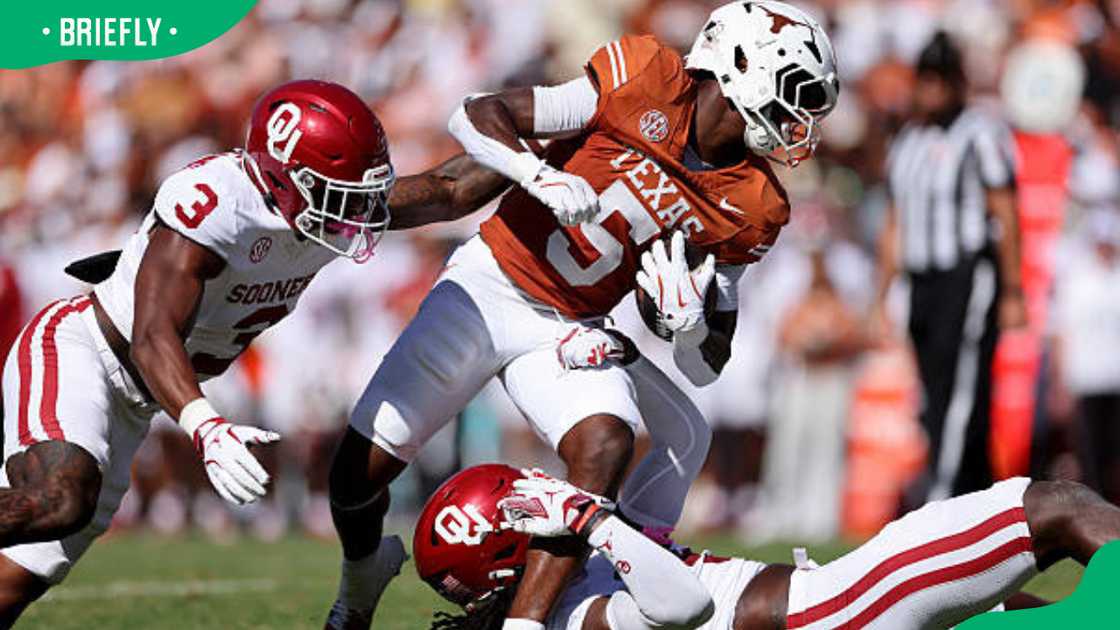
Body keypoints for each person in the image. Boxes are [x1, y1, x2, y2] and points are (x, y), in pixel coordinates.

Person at [322, 3, 840, 628]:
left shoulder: (754, 203)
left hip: (567, 329)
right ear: (740, 65)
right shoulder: (645, 75)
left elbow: (705, 365)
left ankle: (527, 623)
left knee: (605, 443)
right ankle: (358, 587)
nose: (801, 120)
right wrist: (539, 175)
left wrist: (689, 325)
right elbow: (478, 113)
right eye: (798, 95)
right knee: (357, 477)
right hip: (488, 285)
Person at [0, 79, 512, 626]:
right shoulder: (215, 202)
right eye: (338, 191)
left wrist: (563, 128)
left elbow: (449, 189)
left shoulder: (328, 204)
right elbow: (152, 334)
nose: (356, 212)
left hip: (142, 395)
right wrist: (207, 427)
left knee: (12, 586)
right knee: (58, 500)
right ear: (282, 178)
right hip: (87, 353)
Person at [415, 464, 1119, 630]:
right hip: (835, 613)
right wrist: (593, 522)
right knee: (1054, 508)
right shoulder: (572, 617)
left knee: (1015, 608)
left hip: (832, 602)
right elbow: (682, 604)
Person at [874, 32, 1028, 503]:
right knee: (934, 392)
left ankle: (942, 497)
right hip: (923, 281)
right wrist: (883, 294)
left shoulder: (980, 132)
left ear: (959, 84)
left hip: (968, 274)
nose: (933, 94)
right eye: (927, 83)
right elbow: (895, 222)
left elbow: (1004, 209)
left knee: (963, 392)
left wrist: (1013, 290)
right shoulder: (909, 142)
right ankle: (980, 506)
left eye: (943, 83)